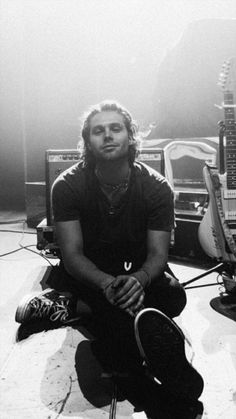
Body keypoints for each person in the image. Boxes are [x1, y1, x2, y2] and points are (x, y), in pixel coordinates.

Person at [15, 100, 204, 415]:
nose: (107, 136)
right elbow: (72, 256)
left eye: (115, 128)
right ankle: (155, 395)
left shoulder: (157, 188)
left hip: (138, 271)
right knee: (115, 320)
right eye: (97, 131)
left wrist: (139, 281)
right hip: (91, 274)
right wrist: (106, 284)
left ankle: (74, 308)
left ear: (131, 136)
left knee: (174, 298)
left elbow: (158, 254)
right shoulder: (68, 185)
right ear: (87, 141)